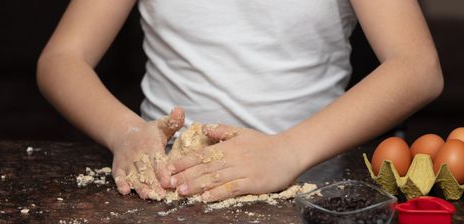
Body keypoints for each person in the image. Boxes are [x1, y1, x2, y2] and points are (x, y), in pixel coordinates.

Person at [37, 0, 443, 202]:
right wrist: (123, 132)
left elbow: (417, 67)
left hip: (307, 182)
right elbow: (61, 59)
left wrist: (288, 151)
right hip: (168, 182)